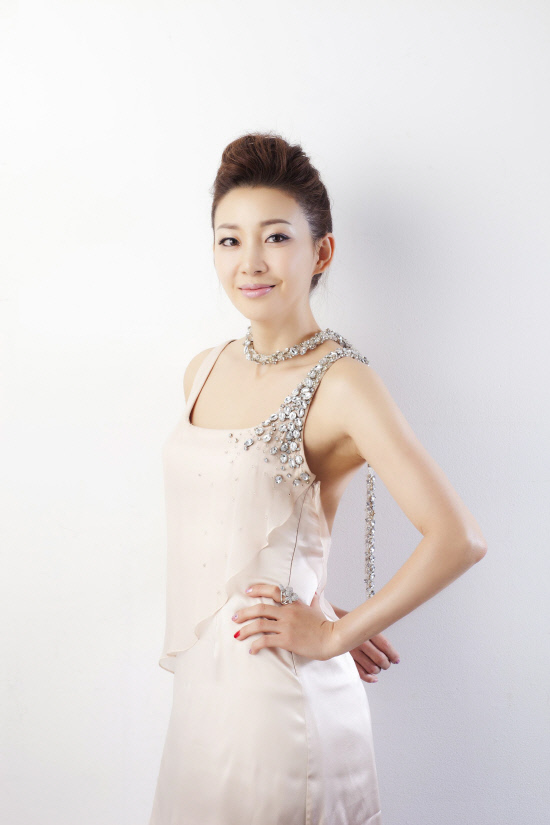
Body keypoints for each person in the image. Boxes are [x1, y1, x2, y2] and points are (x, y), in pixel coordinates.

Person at [148, 132, 488, 825]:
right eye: (229, 240)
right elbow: (241, 527)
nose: (250, 261)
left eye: (276, 237)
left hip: (280, 708)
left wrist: (333, 635)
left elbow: (458, 538)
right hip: (202, 701)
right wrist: (316, 600)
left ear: (322, 252)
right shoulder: (202, 369)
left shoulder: (344, 384)